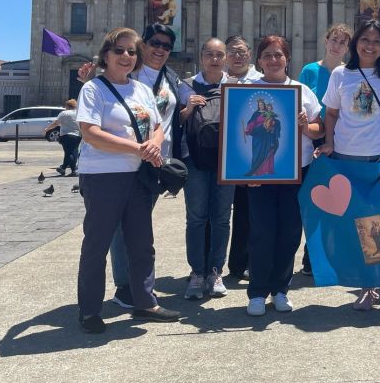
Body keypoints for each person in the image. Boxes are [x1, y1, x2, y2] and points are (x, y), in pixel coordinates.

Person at [75, 27, 180, 333]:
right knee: (97, 244)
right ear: (105, 54)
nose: (126, 56)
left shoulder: (142, 91)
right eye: (119, 50)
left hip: (139, 176)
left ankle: (145, 302)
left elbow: (158, 126)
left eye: (132, 52)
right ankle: (90, 310)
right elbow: (90, 133)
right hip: (103, 176)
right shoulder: (93, 89)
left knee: (141, 243)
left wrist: (155, 143)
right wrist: (138, 147)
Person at [318, 19, 380, 317]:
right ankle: (366, 288)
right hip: (349, 159)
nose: (370, 45)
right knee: (358, 225)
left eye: (376, 41)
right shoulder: (340, 75)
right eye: (365, 40)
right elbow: (332, 114)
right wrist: (329, 143)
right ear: (356, 43)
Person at [105, 24, 186, 310]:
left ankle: (136, 286)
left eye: (166, 46)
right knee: (120, 226)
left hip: (155, 163)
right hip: (127, 159)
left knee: (139, 226)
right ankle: (125, 286)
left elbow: (166, 119)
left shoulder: (171, 78)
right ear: (144, 44)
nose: (160, 49)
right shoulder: (129, 74)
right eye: (155, 43)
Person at [246, 35, 323, 315]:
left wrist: (306, 126)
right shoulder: (245, 90)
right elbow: (238, 134)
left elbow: (321, 130)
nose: (273, 60)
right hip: (260, 174)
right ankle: (257, 291)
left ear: (287, 59)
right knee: (261, 232)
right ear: (259, 60)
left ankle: (280, 289)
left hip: (295, 172)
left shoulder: (302, 90)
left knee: (290, 232)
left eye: (278, 54)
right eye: (267, 55)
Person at [179, 38, 234, 300]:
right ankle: (197, 273)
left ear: (225, 58)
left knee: (222, 218)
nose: (215, 59)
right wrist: (188, 109)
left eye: (219, 54)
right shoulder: (186, 86)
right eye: (210, 54)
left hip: (227, 161)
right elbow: (174, 121)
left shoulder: (235, 86)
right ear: (202, 57)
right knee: (196, 217)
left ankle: (216, 272)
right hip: (196, 159)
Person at [297, 23, 352, 275]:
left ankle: (330, 255)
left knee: (338, 200)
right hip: (314, 138)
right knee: (314, 198)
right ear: (326, 40)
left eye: (342, 42)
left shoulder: (350, 73)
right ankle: (311, 256)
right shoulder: (310, 71)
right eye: (334, 40)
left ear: (347, 47)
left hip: (342, 140)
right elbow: (300, 103)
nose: (337, 45)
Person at [224, 35, 262, 281]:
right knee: (219, 214)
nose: (237, 56)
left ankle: (246, 262)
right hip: (226, 154)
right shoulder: (220, 80)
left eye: (241, 51)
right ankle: (220, 265)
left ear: (249, 53)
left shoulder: (261, 81)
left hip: (252, 153)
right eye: (232, 52)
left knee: (250, 210)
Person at [46, 99, 81, 177]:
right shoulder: (79, 113)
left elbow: (56, 123)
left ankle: (71, 169)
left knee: (68, 153)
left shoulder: (64, 113)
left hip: (66, 135)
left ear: (68, 106)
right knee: (74, 152)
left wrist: (47, 129)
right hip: (77, 136)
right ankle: (65, 168)